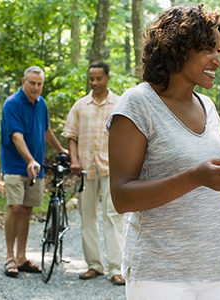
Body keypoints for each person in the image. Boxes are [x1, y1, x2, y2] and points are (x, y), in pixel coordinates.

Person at [107, 5, 220, 299]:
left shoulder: (208, 107)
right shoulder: (138, 104)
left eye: (219, 50)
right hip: (160, 275)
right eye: (208, 49)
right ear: (176, 48)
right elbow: (121, 197)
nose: (218, 61)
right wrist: (194, 177)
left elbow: (208, 197)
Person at [62, 61, 126, 285]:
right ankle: (94, 265)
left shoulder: (120, 104)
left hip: (112, 168)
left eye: (99, 78)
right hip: (85, 169)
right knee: (87, 217)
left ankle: (116, 268)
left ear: (107, 78)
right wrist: (74, 159)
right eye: (91, 78)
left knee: (114, 216)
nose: (95, 82)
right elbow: (71, 135)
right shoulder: (80, 106)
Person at [0, 66, 67, 278]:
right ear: (23, 81)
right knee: (15, 207)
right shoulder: (12, 104)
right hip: (15, 166)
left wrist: (61, 150)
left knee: (27, 210)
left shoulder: (41, 103)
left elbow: (46, 129)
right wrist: (30, 160)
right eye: (32, 83)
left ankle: (21, 257)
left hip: (35, 169)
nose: (36, 88)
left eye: (39, 84)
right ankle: (9, 257)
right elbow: (16, 137)